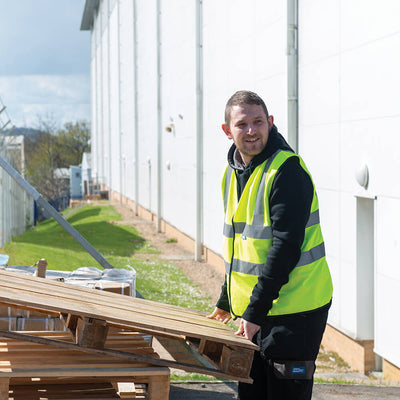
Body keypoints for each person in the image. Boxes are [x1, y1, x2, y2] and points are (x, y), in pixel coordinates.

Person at [208, 90, 333, 400]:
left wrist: (253, 313)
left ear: (270, 122)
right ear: (227, 131)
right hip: (261, 311)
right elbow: (241, 246)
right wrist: (227, 298)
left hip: (296, 312)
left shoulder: (287, 171)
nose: (251, 130)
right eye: (242, 124)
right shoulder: (234, 172)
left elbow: (285, 248)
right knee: (252, 393)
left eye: (258, 121)